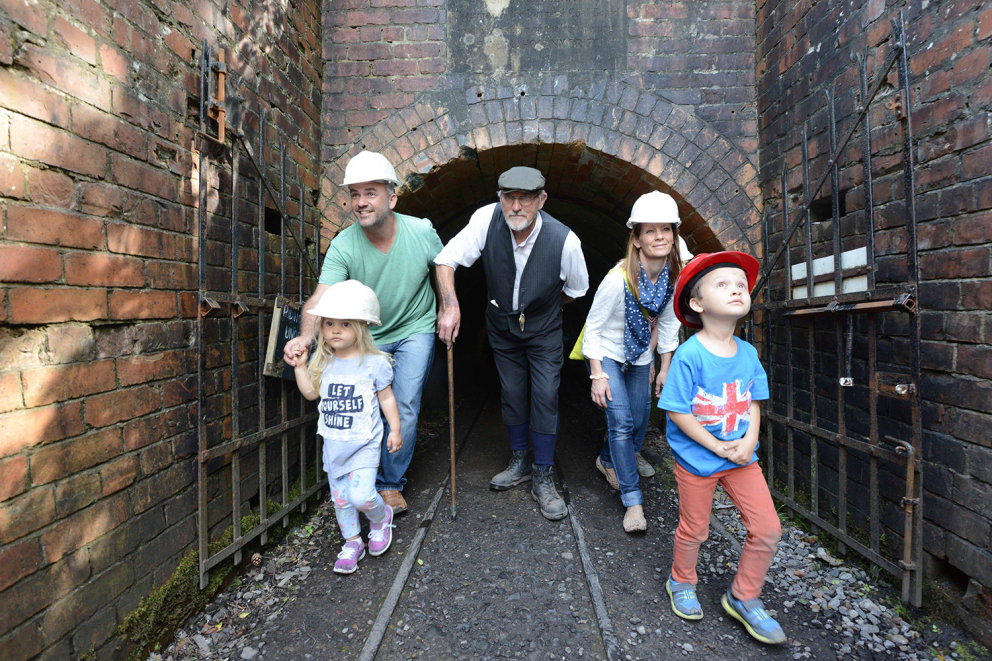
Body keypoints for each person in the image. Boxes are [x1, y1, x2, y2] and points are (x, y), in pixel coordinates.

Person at [284, 151, 444, 515]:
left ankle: (390, 485)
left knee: (402, 402)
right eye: (354, 194)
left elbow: (444, 265)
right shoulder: (344, 244)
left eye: (369, 192)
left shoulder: (421, 231)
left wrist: (449, 305)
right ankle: (361, 478)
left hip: (415, 327)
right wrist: (306, 338)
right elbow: (320, 298)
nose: (360, 202)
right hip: (369, 334)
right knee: (365, 404)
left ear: (391, 197)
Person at [435, 166, 589, 521]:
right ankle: (519, 460)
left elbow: (576, 291)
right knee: (512, 391)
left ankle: (543, 474)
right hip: (501, 326)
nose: (516, 206)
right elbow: (446, 259)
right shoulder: (486, 220)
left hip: (545, 330)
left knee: (546, 394)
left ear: (541, 200)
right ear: (500, 197)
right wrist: (450, 304)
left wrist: (539, 307)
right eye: (509, 198)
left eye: (525, 199)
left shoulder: (565, 240)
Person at [657, 251, 786, 645]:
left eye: (741, 286)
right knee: (695, 529)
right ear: (697, 304)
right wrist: (715, 444)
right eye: (723, 284)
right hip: (698, 459)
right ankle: (681, 580)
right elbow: (678, 411)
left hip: (742, 459)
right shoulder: (689, 354)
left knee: (768, 528)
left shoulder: (747, 353)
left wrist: (748, 442)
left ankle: (744, 596)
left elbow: (753, 401)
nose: (736, 290)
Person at [581, 191, 686, 533]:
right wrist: (597, 375)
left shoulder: (672, 279)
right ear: (637, 239)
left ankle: (608, 459)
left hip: (641, 353)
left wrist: (664, 366)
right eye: (650, 231)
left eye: (666, 230)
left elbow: (670, 325)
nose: (660, 237)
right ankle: (632, 501)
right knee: (622, 422)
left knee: (639, 420)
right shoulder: (617, 280)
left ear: (674, 235)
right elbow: (593, 330)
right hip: (607, 352)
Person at [287, 280, 401, 574]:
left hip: (363, 444)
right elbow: (312, 393)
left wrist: (396, 429)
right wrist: (300, 367)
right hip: (335, 445)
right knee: (341, 500)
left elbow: (386, 398)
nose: (335, 330)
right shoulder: (324, 363)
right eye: (328, 324)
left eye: (345, 324)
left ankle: (380, 516)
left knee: (361, 496)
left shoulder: (374, 363)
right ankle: (353, 542)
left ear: (361, 328)